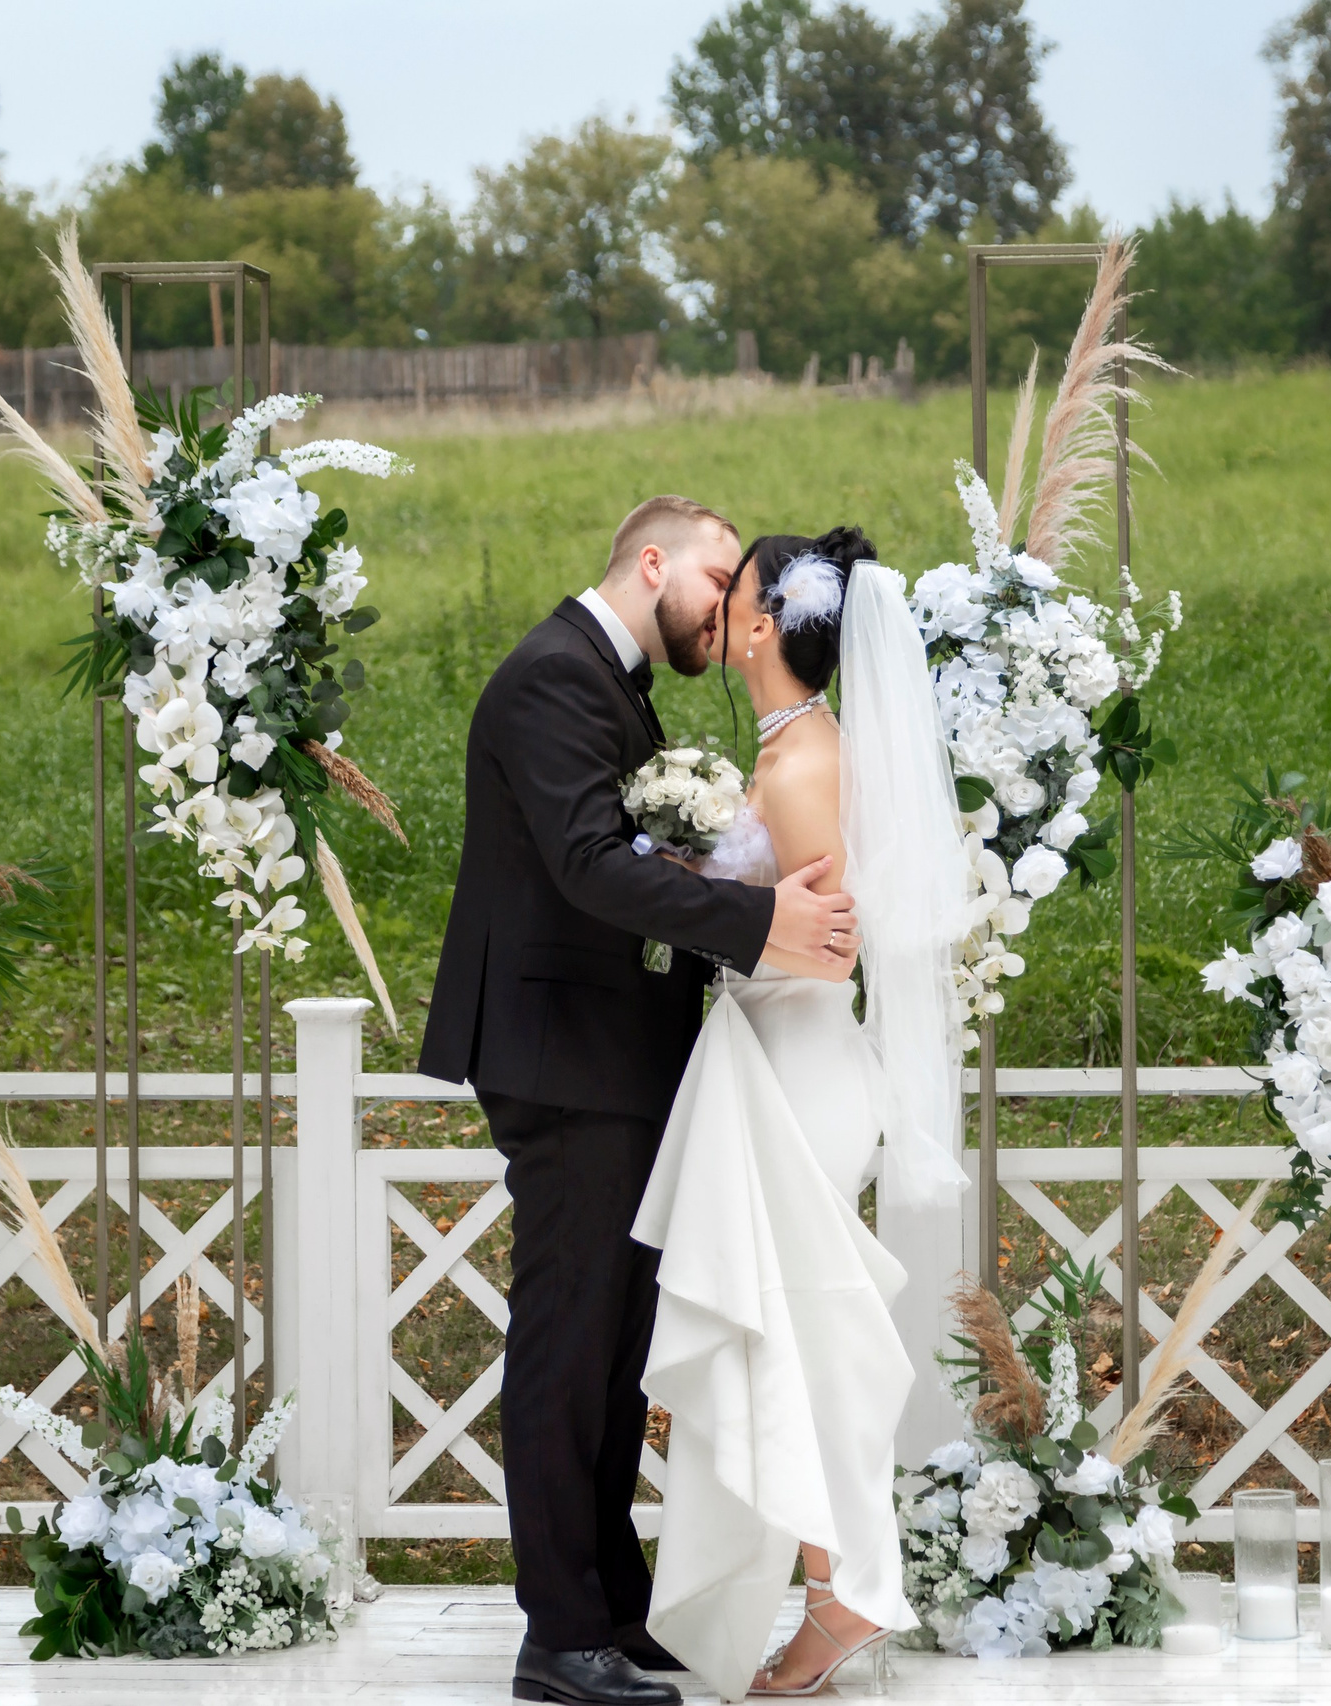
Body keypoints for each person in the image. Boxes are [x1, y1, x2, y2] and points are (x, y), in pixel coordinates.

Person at [420, 495, 864, 1706]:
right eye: (718, 575)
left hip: (607, 1052)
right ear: (652, 559)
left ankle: (607, 1605)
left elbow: (619, 860)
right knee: (568, 1339)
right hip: (560, 1056)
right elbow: (583, 863)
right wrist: (762, 920)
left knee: (611, 1343)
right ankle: (557, 1633)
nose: (727, 604)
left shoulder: (614, 686)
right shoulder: (552, 676)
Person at [633, 527, 973, 1700]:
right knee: (793, 1340)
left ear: (768, 621)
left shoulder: (796, 768)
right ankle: (836, 1589)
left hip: (798, 1067)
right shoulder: (794, 747)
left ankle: (838, 1598)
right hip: (776, 1067)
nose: (716, 603)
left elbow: (826, 950)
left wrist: (696, 896)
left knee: (801, 1344)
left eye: (732, 589)